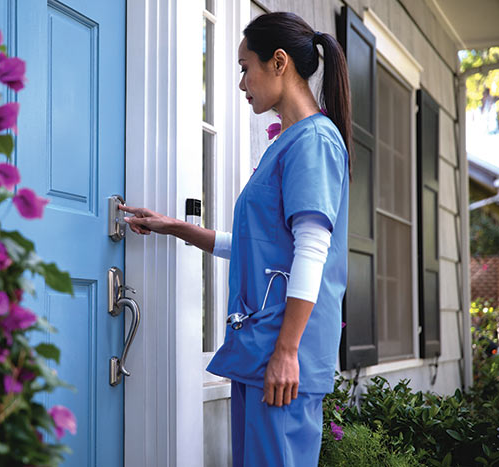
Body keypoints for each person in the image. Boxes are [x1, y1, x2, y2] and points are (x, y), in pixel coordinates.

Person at [119, 11, 352, 467]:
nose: (242, 83)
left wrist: (286, 352)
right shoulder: (286, 142)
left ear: (279, 62)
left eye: (246, 68)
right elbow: (259, 245)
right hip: (262, 351)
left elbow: (311, 249)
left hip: (283, 358)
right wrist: (178, 227)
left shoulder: (314, 141)